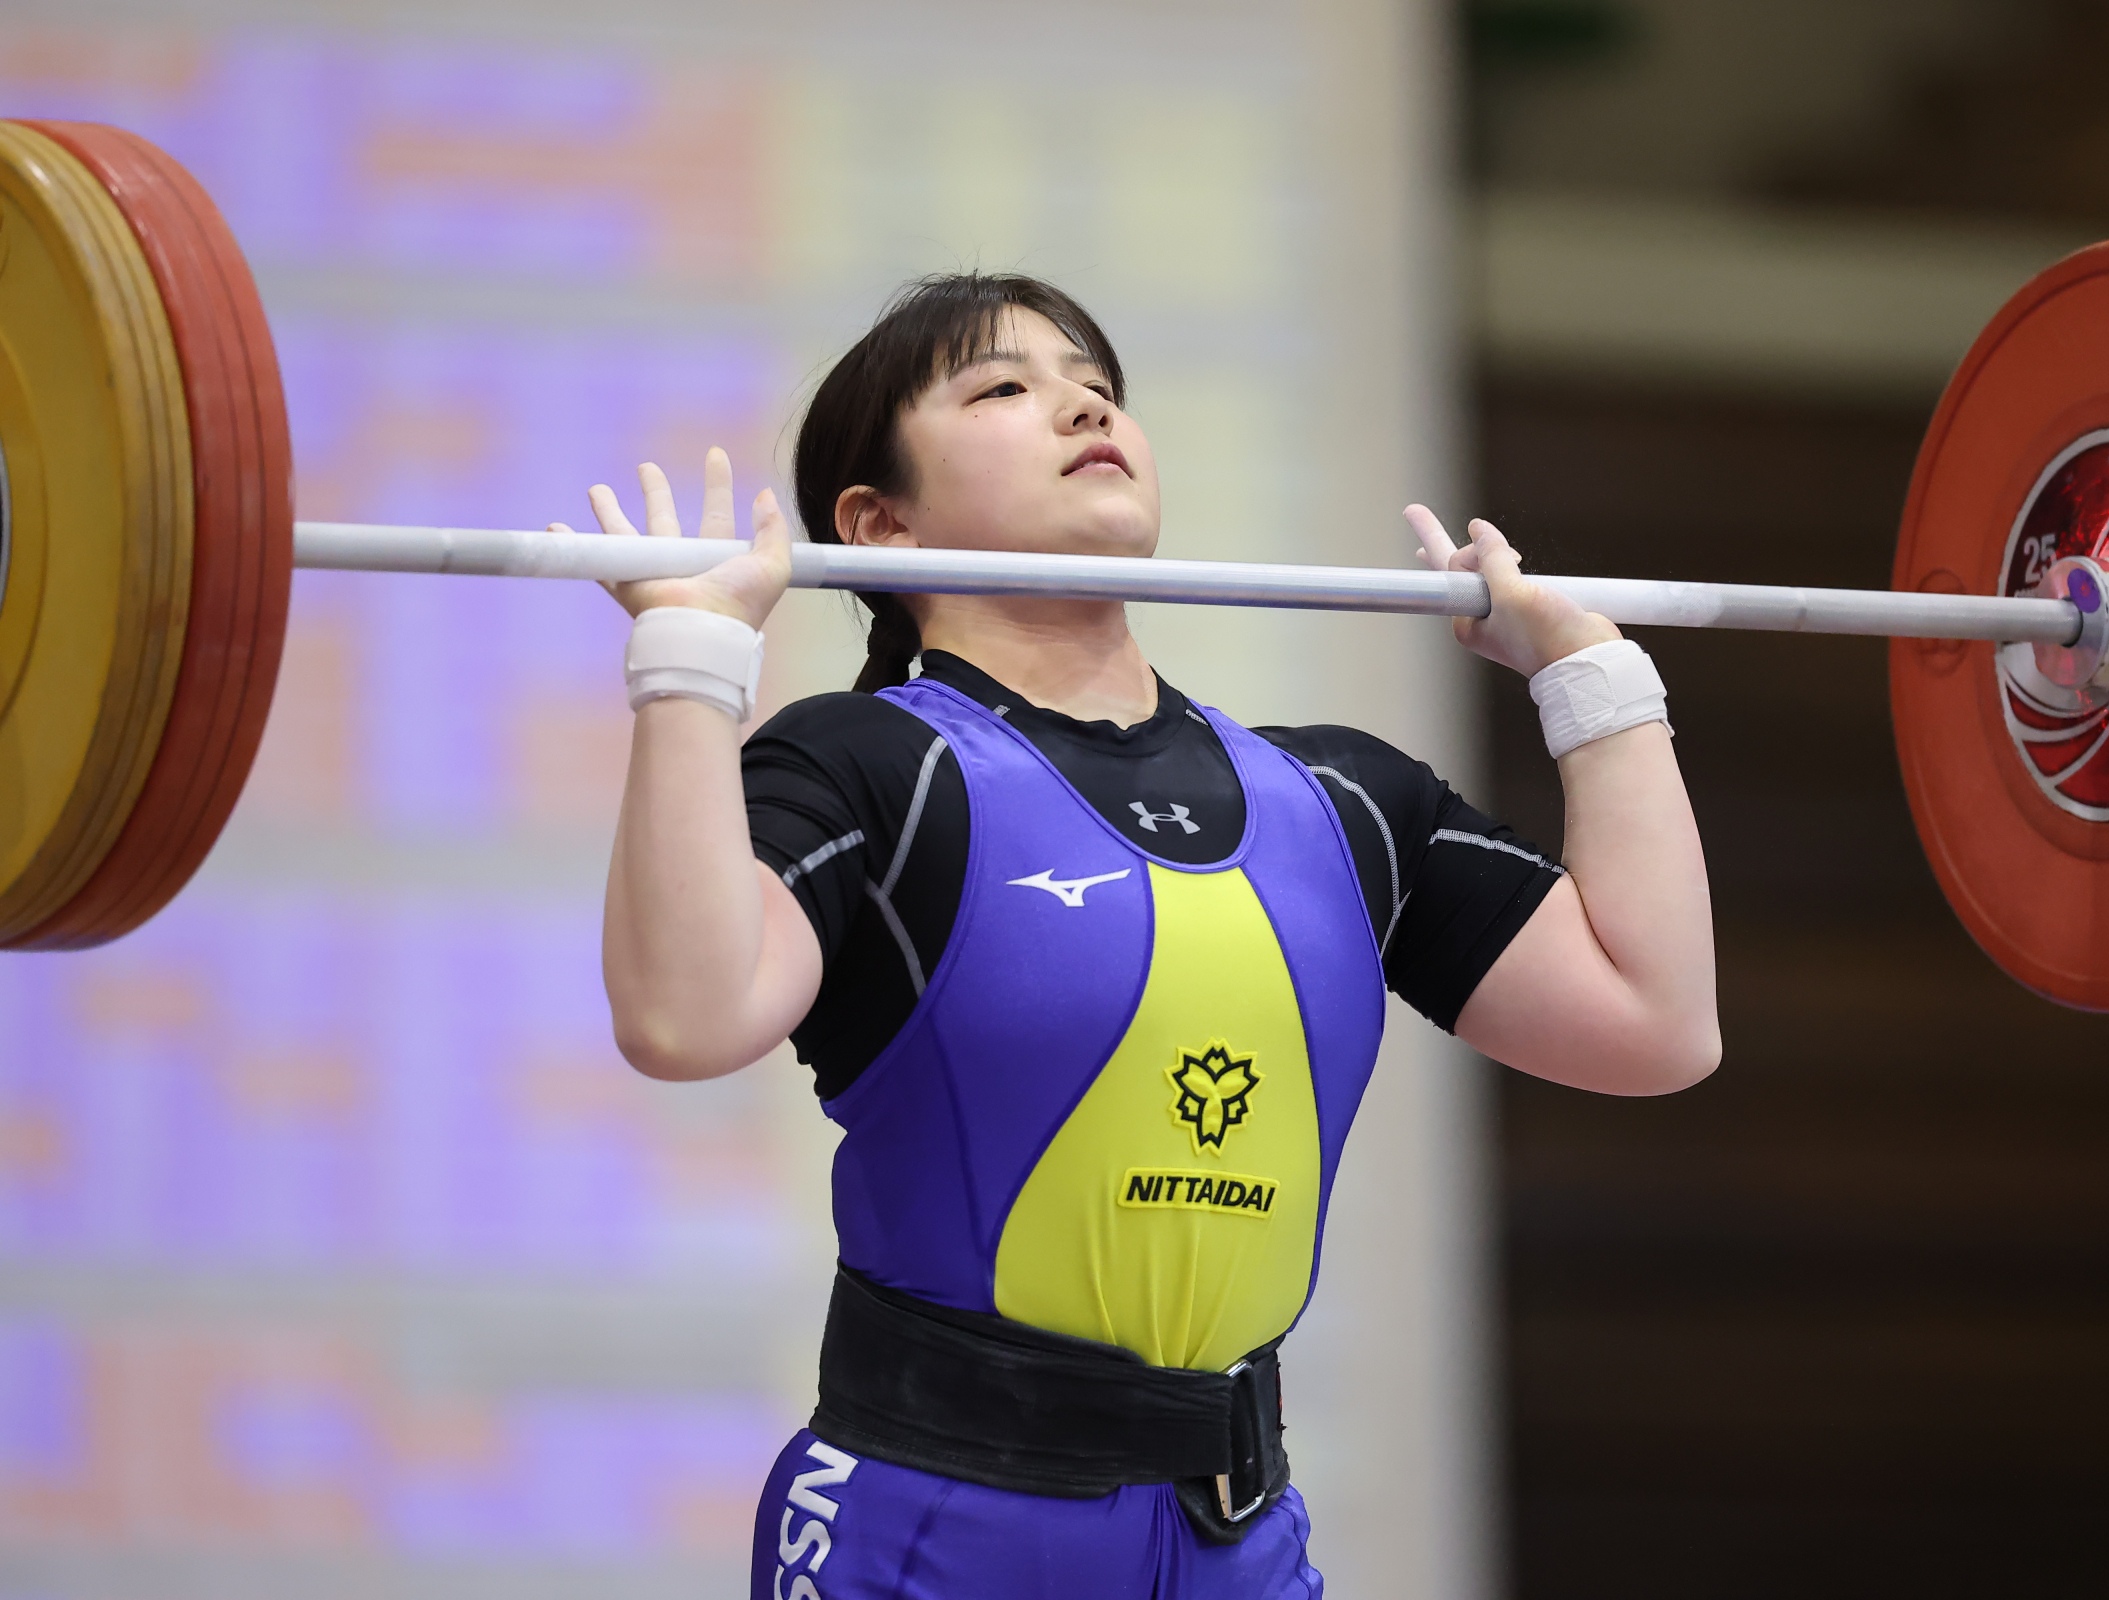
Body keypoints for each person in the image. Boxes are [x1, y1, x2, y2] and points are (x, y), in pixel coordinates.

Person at [578, 274, 1717, 1599]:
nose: (1081, 407)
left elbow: (1654, 1026)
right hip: (934, 1528)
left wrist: (1590, 675)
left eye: (1098, 386)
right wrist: (689, 667)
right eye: (1004, 388)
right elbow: (683, 1018)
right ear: (879, 522)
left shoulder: (1343, 797)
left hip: (1238, 1540)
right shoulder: (873, 767)